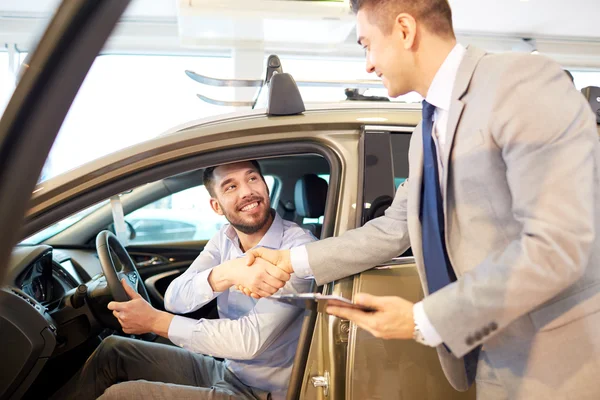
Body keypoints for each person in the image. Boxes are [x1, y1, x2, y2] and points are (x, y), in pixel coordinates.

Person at [241, 1, 600, 399]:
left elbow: (558, 243)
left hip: (562, 360)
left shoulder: (520, 84)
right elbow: (395, 227)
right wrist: (291, 261)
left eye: (366, 45)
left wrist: (422, 319)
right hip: (492, 355)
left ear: (406, 30)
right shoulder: (424, 131)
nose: (368, 66)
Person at [60, 160, 316, 400]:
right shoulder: (224, 238)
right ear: (216, 206)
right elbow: (175, 298)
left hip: (262, 392)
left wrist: (154, 321)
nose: (247, 192)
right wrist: (227, 273)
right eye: (231, 186)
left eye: (252, 179)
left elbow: (248, 342)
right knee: (112, 351)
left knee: (121, 396)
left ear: (264, 185)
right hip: (230, 371)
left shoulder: (297, 251)